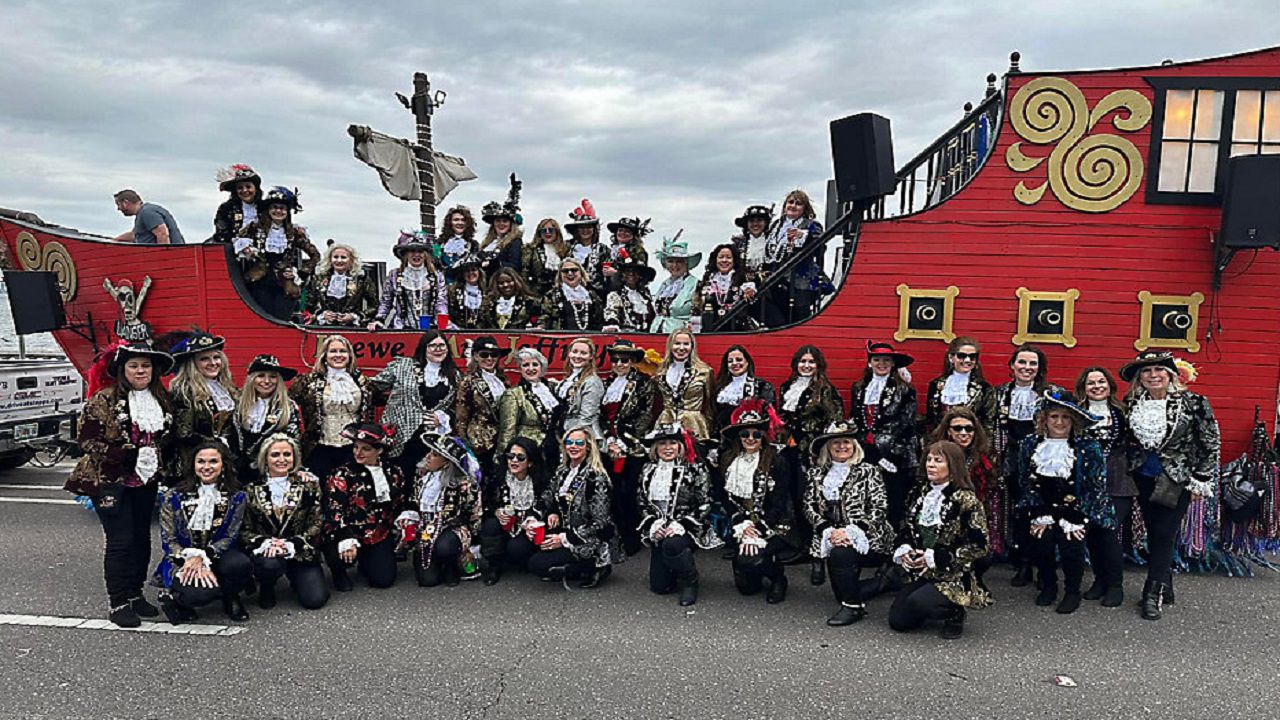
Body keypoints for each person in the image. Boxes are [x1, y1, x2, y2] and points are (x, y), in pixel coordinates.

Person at [66, 342, 175, 627]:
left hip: (145, 480)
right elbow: (86, 441)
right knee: (121, 540)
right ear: (122, 370)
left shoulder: (161, 399)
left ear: (154, 370)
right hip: (109, 481)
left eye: (145, 366)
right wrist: (126, 455)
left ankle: (135, 593)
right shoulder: (104, 399)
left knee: (141, 539)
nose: (140, 371)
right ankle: (118, 603)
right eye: (134, 366)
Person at [1121, 350, 1220, 621]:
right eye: (1147, 371)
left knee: (1165, 532)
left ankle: (1151, 595)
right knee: (1155, 532)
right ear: (1140, 377)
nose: (1153, 375)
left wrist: (1201, 479)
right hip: (1143, 476)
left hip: (1176, 478)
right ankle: (1166, 584)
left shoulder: (1194, 402)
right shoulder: (1131, 403)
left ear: (1170, 375)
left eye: (1159, 370)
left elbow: (1210, 442)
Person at [1009, 390, 1112, 615]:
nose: (1059, 422)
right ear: (1044, 419)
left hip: (1076, 511)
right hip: (1042, 507)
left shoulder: (1088, 446)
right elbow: (1025, 481)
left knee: (1071, 545)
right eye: (1054, 416)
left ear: (1074, 420)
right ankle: (1048, 586)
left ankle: (1072, 591)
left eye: (1065, 417)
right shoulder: (1030, 443)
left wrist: (1078, 518)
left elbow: (1095, 486)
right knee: (1042, 540)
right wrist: (1038, 513)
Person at [888, 441, 992, 639]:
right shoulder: (919, 492)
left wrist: (937, 557)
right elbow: (906, 527)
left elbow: (980, 546)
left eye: (938, 460)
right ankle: (926, 602)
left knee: (918, 603)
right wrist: (906, 549)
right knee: (899, 621)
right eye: (929, 459)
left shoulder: (966, 499)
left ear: (952, 465)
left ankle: (955, 613)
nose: (931, 465)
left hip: (953, 573)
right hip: (922, 571)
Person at [803, 421, 894, 625]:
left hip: (869, 538)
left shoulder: (869, 471)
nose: (841, 446)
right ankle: (885, 582)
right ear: (828, 447)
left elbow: (879, 507)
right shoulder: (815, 473)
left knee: (841, 556)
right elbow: (808, 507)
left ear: (854, 446)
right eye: (836, 442)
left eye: (846, 442)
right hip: (831, 536)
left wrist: (853, 532)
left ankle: (853, 607)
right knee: (841, 591)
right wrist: (827, 529)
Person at [154, 439, 251, 623]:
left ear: (223, 465)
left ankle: (230, 596)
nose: (207, 467)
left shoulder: (237, 496)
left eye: (213, 461)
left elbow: (231, 535)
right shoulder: (173, 496)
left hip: (218, 554)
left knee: (240, 564)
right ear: (193, 465)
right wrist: (190, 558)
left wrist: (204, 556)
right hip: (184, 558)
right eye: (201, 461)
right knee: (200, 595)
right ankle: (178, 600)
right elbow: (169, 539)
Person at [993, 343, 1062, 586]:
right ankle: (1023, 563)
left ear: (1040, 368)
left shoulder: (1052, 393)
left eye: (1033, 363)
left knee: (1045, 509)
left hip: (1043, 458)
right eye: (1022, 362)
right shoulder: (1000, 393)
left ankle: (1044, 567)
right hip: (1012, 460)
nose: (1027, 367)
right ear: (1012, 366)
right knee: (1020, 512)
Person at [240, 434, 329, 610]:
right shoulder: (250, 490)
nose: (282, 459)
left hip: (300, 550)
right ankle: (267, 585)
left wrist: (292, 543)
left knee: (315, 600)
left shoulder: (309, 485)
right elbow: (244, 529)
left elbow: (317, 521)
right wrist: (267, 543)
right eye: (275, 455)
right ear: (265, 458)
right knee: (269, 564)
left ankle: (297, 578)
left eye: (287, 454)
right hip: (268, 554)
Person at [720, 400, 795, 604]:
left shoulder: (776, 460)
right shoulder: (727, 459)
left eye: (756, 434)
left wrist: (758, 528)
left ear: (763, 437)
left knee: (751, 559)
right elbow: (724, 497)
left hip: (774, 523)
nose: (750, 439)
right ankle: (751, 566)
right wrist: (741, 524)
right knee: (747, 588)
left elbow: (780, 501)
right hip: (742, 523)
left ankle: (778, 578)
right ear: (739, 437)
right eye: (745, 434)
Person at [526, 427, 617, 588]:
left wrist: (564, 539)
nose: (573, 446)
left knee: (538, 564)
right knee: (528, 550)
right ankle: (568, 567)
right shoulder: (563, 470)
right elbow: (548, 496)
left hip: (588, 538)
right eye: (569, 442)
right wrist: (533, 517)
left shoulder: (596, 477)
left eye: (579, 443)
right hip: (566, 528)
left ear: (588, 447)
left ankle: (594, 566)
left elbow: (600, 523)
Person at [637, 424, 714, 607]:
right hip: (659, 528)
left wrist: (682, 524)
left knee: (672, 544)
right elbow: (641, 501)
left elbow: (706, 503)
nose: (668, 448)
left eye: (672, 443)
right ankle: (673, 567)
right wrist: (653, 524)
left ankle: (690, 580)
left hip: (688, 527)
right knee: (660, 587)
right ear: (655, 448)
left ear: (681, 446)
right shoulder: (648, 469)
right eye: (662, 443)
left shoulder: (695, 468)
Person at [324, 423, 407, 591]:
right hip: (348, 531)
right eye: (356, 447)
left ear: (379, 450)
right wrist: (345, 537)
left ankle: (368, 560)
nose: (358, 453)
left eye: (366, 449)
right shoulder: (342, 474)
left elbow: (398, 503)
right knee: (336, 548)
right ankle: (338, 570)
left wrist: (400, 527)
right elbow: (333, 511)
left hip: (378, 533)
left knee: (383, 580)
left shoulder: (393, 472)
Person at [778, 344, 845, 553]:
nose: (806, 365)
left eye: (811, 362)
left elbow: (835, 421)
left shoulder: (825, 389)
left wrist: (820, 449)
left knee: (807, 496)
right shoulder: (787, 386)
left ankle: (809, 544)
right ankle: (795, 541)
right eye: (803, 361)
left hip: (811, 452)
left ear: (818, 365)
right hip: (788, 449)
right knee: (788, 494)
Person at [1076, 366, 1134, 607]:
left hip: (1118, 480)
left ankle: (1115, 585)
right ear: (1084, 388)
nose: (1097, 386)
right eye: (1091, 383)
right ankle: (1099, 581)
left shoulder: (1123, 412)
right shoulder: (1077, 413)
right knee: (1093, 534)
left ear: (1109, 386)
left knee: (1109, 531)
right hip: (1087, 480)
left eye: (1101, 381)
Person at [371, 330, 461, 479]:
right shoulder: (403, 365)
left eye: (442, 345)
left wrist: (444, 418)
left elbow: (458, 408)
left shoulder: (454, 376)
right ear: (424, 348)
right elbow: (375, 386)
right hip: (399, 435)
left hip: (431, 439)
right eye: (432, 345)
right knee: (397, 478)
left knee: (426, 480)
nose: (438, 349)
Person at [849, 341, 920, 528]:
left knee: (893, 499)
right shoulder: (859, 388)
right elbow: (856, 420)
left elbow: (907, 424)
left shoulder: (905, 389)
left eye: (886, 360)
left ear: (893, 363)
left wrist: (889, 456)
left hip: (894, 454)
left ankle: (893, 537)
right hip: (865, 452)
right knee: (866, 497)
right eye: (877, 360)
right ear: (870, 362)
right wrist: (864, 447)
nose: (882, 364)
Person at [399, 435, 483, 587]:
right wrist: (409, 520)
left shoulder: (462, 485)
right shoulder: (422, 477)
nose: (428, 457)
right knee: (428, 581)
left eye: (435, 455)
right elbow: (413, 503)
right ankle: (432, 561)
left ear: (446, 462)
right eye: (429, 452)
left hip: (451, 529)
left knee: (445, 547)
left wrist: (472, 539)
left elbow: (473, 513)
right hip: (425, 531)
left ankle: (452, 565)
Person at [290, 335, 377, 481]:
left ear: (350, 355)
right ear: (324, 355)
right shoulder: (307, 381)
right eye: (333, 351)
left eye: (343, 351)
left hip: (354, 447)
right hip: (320, 446)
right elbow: (289, 403)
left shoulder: (363, 382)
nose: (338, 355)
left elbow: (379, 400)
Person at [600, 339, 658, 556]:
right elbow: (601, 416)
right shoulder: (606, 383)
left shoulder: (644, 383)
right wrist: (610, 440)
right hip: (608, 446)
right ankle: (618, 534)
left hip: (633, 446)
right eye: (615, 359)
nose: (619, 364)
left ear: (633, 361)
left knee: (630, 491)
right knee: (612, 491)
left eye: (624, 360)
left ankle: (633, 536)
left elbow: (645, 416)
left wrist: (624, 442)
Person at [234, 186, 320, 320]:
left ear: (287, 211)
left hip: (285, 286)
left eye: (282, 208)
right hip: (259, 283)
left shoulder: (294, 232)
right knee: (261, 320)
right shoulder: (254, 228)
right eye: (274, 207)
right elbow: (238, 240)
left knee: (281, 319)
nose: (278, 211)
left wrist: (299, 273)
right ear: (268, 210)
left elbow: (315, 256)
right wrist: (246, 249)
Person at [163, 331, 237, 477]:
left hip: (224, 461)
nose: (213, 363)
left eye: (216, 357)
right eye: (204, 359)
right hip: (194, 464)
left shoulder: (227, 389)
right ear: (192, 363)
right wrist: (216, 444)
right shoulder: (184, 392)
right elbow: (183, 433)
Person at [932, 408, 1002, 561]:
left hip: (975, 516)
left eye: (969, 428)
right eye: (957, 428)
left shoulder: (985, 457)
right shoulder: (936, 454)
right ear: (948, 431)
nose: (964, 433)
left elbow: (989, 490)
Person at [478, 437, 549, 585]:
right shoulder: (498, 477)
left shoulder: (540, 480)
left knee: (516, 549)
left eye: (520, 457)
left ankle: (523, 559)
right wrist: (497, 511)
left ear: (530, 462)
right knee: (491, 525)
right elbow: (486, 501)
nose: (514, 461)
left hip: (528, 526)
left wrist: (532, 519)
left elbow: (546, 505)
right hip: (505, 524)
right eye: (510, 456)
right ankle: (493, 566)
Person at [231, 354, 301, 480]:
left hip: (271, 469)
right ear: (252, 378)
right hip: (236, 469)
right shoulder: (236, 402)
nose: (267, 381)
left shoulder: (288, 407)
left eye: (273, 377)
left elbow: (293, 441)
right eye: (261, 376)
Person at [763, 189, 829, 323]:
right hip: (777, 279)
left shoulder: (811, 225)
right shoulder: (776, 225)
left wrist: (805, 236)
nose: (793, 206)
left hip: (801, 281)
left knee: (799, 316)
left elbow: (820, 247)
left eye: (798, 204)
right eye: (790, 202)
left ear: (805, 208)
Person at [369, 230, 448, 330]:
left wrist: (442, 321)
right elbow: (386, 302)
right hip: (401, 328)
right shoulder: (394, 275)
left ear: (426, 255)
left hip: (432, 328)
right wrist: (379, 319)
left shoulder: (437, 276)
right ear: (405, 254)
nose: (416, 254)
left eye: (420, 251)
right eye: (412, 251)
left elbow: (441, 301)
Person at [455, 336, 510, 473]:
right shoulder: (468, 382)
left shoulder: (503, 380)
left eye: (494, 355)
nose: (489, 359)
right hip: (479, 443)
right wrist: (465, 445)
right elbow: (461, 417)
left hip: (503, 440)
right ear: (475, 356)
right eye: (484, 355)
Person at [497, 348, 560, 462]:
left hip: (554, 449)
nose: (531, 369)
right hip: (529, 452)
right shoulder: (513, 394)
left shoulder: (552, 389)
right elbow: (507, 430)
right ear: (520, 369)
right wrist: (504, 458)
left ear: (541, 367)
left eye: (535, 364)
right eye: (525, 365)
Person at [925, 336, 997, 434]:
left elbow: (989, 422)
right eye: (962, 356)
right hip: (942, 439)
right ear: (951, 358)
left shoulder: (984, 388)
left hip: (971, 439)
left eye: (972, 356)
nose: (967, 360)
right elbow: (931, 420)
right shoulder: (935, 384)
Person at [655, 327, 715, 443]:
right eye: (677, 343)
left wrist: (709, 427)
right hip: (666, 422)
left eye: (686, 344)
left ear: (692, 347)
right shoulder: (661, 372)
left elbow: (710, 405)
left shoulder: (704, 372)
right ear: (670, 346)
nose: (681, 348)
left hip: (693, 425)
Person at [304, 243, 380, 326]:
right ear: (330, 259)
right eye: (335, 257)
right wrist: (322, 314)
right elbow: (309, 304)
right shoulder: (318, 278)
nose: (339, 260)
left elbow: (374, 305)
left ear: (351, 260)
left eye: (343, 257)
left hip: (352, 327)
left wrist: (355, 316)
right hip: (324, 327)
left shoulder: (361, 279)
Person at [711, 345, 778, 439]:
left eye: (739, 360)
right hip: (723, 437)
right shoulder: (720, 388)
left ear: (747, 362)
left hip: (750, 437)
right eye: (730, 361)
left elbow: (770, 416)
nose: (734, 363)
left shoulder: (761, 386)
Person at [695, 243, 760, 332]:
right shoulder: (708, 279)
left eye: (728, 257)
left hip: (738, 330)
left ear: (734, 260)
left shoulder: (744, 278)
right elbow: (697, 306)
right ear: (715, 259)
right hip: (713, 330)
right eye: (721, 257)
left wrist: (749, 291)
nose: (724, 260)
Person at [554, 337, 604, 441]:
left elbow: (586, 417)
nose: (578, 356)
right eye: (575, 352)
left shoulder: (592, 382)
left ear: (591, 356)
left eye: (583, 353)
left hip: (582, 436)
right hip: (564, 431)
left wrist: (573, 438)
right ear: (569, 353)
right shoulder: (568, 378)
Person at [650, 236, 701, 334]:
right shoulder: (664, 285)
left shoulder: (696, 284)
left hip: (681, 336)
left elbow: (698, 315)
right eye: (670, 261)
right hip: (656, 332)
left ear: (686, 263)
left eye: (679, 261)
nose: (674, 265)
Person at [477, 174, 524, 276]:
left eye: (505, 221)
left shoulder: (514, 242)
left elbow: (515, 265)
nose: (501, 224)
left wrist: (492, 264)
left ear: (511, 224)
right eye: (498, 221)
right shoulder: (488, 243)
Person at [540, 258, 603, 331]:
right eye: (565, 271)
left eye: (574, 270)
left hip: (592, 336)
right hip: (561, 337)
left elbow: (600, 319)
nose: (570, 273)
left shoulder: (592, 295)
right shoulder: (551, 296)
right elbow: (545, 317)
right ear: (560, 275)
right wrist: (541, 326)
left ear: (581, 272)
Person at [564, 198, 609, 295]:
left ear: (594, 229)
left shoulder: (603, 249)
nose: (585, 230)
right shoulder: (566, 247)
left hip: (596, 295)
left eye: (589, 227)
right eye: (582, 227)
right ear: (576, 230)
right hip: (568, 293)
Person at [113, 188, 185, 245]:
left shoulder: (147, 212)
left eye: (118, 204)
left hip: (168, 255)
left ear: (125, 203)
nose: (118, 208)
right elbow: (134, 235)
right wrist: (114, 240)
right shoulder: (143, 212)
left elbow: (162, 234)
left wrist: (162, 255)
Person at [210, 164, 261, 243]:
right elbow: (221, 234)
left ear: (256, 188)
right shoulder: (226, 208)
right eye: (240, 188)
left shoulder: (265, 207)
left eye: (248, 187)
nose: (244, 190)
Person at [602, 258, 657, 332]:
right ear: (622, 274)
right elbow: (611, 314)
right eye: (627, 271)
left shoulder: (646, 295)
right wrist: (612, 324)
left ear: (640, 275)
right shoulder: (615, 295)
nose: (631, 274)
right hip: (626, 336)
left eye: (635, 271)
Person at [521, 217, 569, 299]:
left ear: (557, 232)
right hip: (537, 293)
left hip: (562, 293)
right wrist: (528, 294)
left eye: (551, 230)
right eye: (543, 230)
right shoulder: (531, 250)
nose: (547, 232)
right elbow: (524, 272)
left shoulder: (566, 249)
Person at [603, 216, 651, 293]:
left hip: (630, 291)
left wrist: (616, 272)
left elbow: (639, 272)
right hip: (610, 289)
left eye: (627, 231)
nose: (623, 233)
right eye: (620, 230)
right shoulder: (611, 250)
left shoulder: (638, 251)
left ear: (633, 235)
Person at [434, 205, 479, 282]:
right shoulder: (438, 244)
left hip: (464, 284)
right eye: (456, 220)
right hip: (442, 284)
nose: (460, 223)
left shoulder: (473, 245)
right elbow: (434, 264)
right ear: (450, 222)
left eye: (463, 220)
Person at [445, 253, 487, 330]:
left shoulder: (487, 291)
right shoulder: (453, 291)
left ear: (479, 272)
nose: (470, 273)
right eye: (467, 271)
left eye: (473, 270)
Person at [732, 203, 773, 276]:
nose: (755, 224)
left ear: (765, 223)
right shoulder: (738, 246)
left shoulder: (773, 242)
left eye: (759, 220)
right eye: (751, 221)